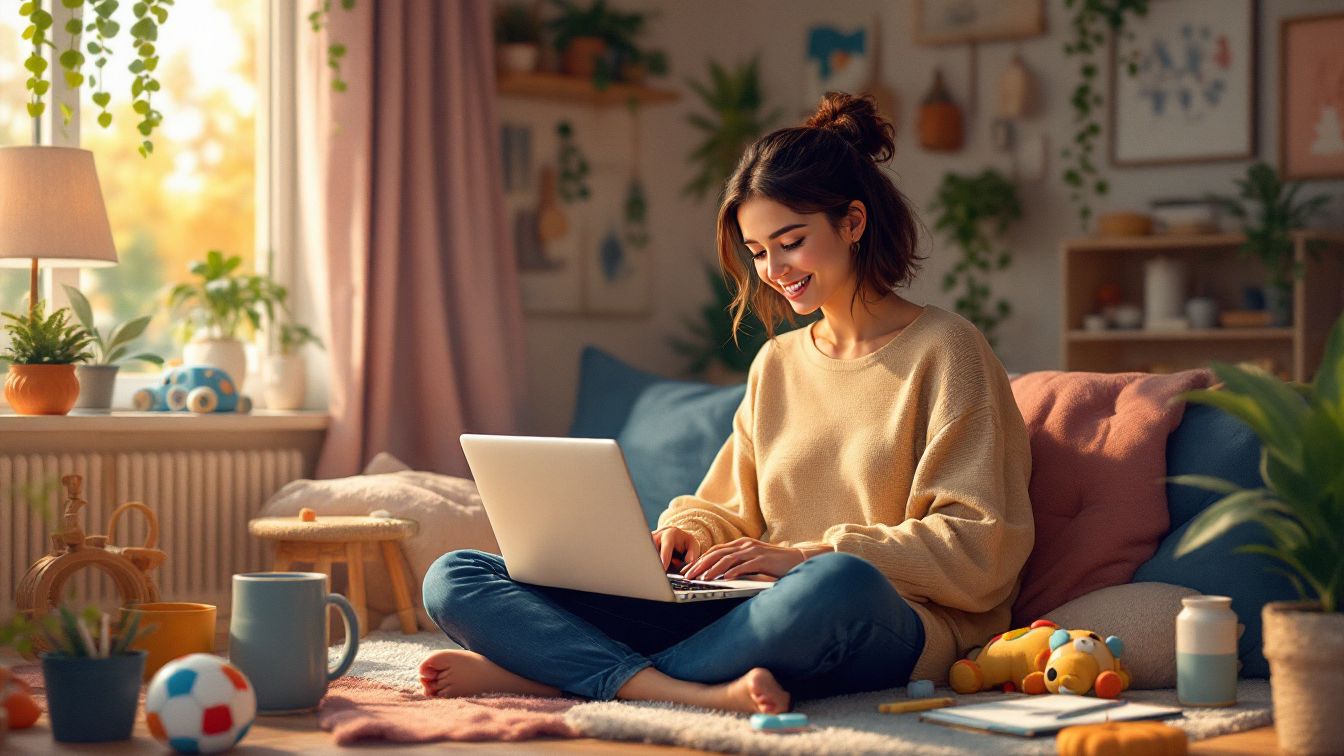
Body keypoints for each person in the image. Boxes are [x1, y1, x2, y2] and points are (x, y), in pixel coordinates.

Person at [418, 92, 1033, 714]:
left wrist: (802, 556)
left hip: (879, 616)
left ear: (852, 222)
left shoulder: (948, 351)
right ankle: (660, 683)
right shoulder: (779, 363)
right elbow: (723, 506)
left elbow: (978, 550)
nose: (773, 269)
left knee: (835, 582)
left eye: (790, 241)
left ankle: (561, 674)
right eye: (758, 251)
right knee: (458, 574)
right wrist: (688, 533)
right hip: (746, 610)